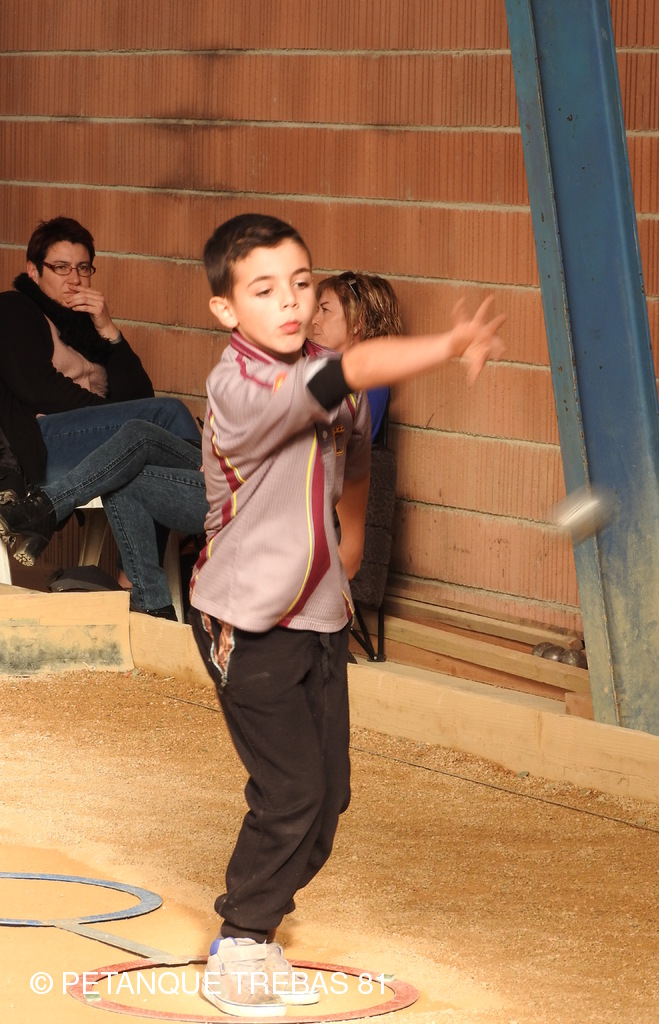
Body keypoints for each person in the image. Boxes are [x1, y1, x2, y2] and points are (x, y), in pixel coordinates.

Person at [188, 212, 505, 1017]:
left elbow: (353, 456)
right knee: (292, 790)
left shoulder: (328, 372)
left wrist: (349, 547)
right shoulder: (239, 387)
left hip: (320, 617)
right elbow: (353, 370)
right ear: (226, 308)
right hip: (248, 620)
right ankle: (241, 941)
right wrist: (446, 344)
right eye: (265, 289)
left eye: (301, 283)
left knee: (328, 799)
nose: (291, 302)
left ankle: (259, 923)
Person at [0, 216, 200, 492]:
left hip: (97, 441)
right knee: (168, 413)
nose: (75, 279)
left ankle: (205, 504)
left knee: (152, 470)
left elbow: (140, 398)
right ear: (34, 272)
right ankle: (217, 498)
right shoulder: (14, 308)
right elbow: (39, 388)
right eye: (61, 268)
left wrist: (107, 327)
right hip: (45, 443)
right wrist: (118, 415)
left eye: (83, 268)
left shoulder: (86, 327)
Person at [0, 421, 208, 617]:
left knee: (131, 457)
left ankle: (42, 509)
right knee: (134, 442)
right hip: (211, 461)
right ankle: (154, 607)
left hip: (225, 483)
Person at [312, 271, 403, 444]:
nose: (314, 320)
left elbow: (336, 447)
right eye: (317, 310)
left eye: (325, 310)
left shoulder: (372, 384)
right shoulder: (322, 370)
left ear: (357, 321)